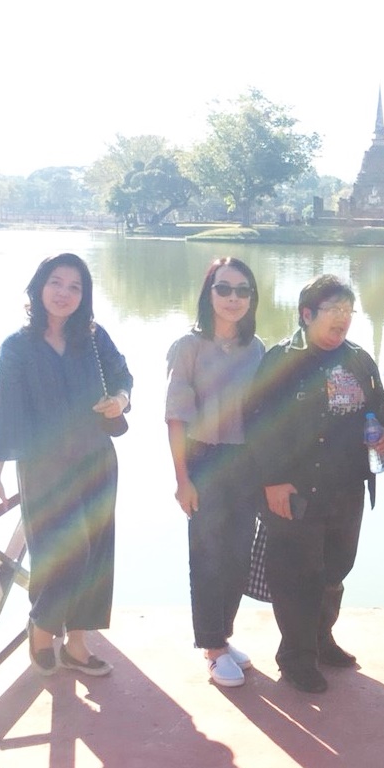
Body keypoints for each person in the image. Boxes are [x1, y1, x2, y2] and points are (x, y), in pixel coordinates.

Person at [0, 253, 132, 678]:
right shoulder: (16, 347)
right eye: (56, 282)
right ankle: (44, 626)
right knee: (65, 552)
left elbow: (123, 377)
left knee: (98, 552)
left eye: (75, 286)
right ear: (38, 287)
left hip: (96, 459)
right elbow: (3, 412)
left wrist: (119, 401)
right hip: (44, 467)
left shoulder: (93, 336)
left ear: (84, 295)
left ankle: (79, 645)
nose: (64, 293)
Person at [247, 275, 384, 694]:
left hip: (346, 486)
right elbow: (257, 426)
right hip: (295, 488)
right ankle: (296, 656)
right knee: (296, 574)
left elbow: (376, 410)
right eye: (332, 312)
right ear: (307, 314)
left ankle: (322, 641)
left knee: (335, 569)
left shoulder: (360, 360)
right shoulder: (280, 361)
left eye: (348, 312)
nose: (342, 320)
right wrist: (272, 481)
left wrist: (379, 433)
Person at [165, 257, 265, 689]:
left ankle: (223, 635)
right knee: (207, 557)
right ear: (209, 294)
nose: (233, 299)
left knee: (238, 555)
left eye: (242, 291)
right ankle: (211, 648)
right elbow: (174, 419)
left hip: (245, 462)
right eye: (224, 289)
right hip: (203, 460)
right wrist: (182, 479)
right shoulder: (187, 347)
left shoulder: (256, 348)